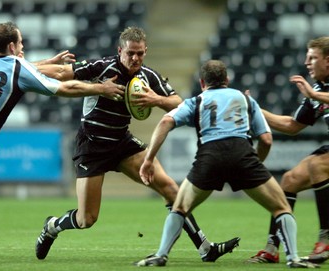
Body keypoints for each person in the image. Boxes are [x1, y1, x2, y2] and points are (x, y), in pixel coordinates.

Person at [34, 26, 240, 261]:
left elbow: (179, 103)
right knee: (86, 219)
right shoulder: (102, 67)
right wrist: (26, 67)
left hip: (122, 142)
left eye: (140, 53)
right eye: (131, 53)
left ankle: (205, 248)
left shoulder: (148, 75)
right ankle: (52, 226)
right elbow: (62, 73)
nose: (135, 58)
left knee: (171, 190)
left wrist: (156, 99)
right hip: (93, 144)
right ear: (120, 50)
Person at [0, 21, 126, 239]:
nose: (23, 46)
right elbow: (63, 87)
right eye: (20, 42)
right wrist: (101, 88)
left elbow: (18, 67)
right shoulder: (17, 68)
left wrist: (48, 62)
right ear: (12, 47)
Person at [133, 59, 319, 268]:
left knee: (180, 208)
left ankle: (161, 255)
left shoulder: (197, 100)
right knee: (282, 208)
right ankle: (293, 258)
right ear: (227, 80)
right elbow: (266, 139)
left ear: (203, 82)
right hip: (243, 154)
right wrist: (255, 162)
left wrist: (149, 160)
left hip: (209, 157)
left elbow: (166, 121)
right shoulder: (245, 100)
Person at [248, 36, 329, 264]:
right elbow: (292, 126)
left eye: (312, 58)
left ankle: (326, 238)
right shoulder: (318, 90)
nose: (306, 62)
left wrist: (313, 95)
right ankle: (272, 247)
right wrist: (254, 109)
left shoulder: (316, 93)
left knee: (316, 165)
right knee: (290, 180)